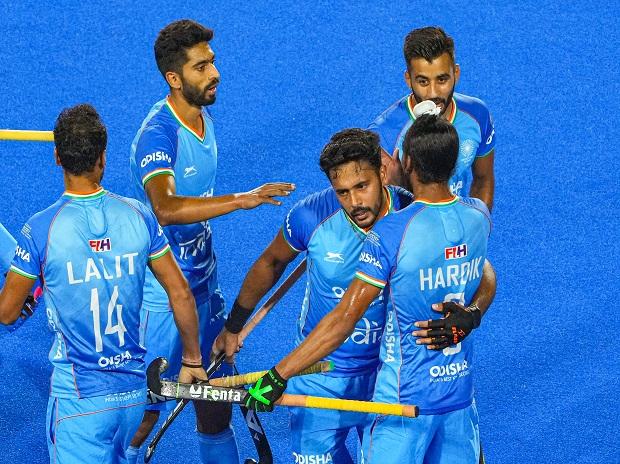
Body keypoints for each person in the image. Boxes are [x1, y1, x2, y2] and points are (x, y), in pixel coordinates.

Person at [215, 126, 495, 463]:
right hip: (320, 373)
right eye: (342, 192)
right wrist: (234, 326)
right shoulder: (310, 217)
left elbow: (483, 270)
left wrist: (474, 311)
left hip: (385, 377)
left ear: (382, 171)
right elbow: (271, 264)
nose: (354, 202)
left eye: (361, 187)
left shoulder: (411, 214)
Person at [0, 104, 207, 464]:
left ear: (56, 157)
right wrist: (192, 359)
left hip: (79, 403)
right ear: (103, 157)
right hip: (131, 397)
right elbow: (179, 291)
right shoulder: (138, 215)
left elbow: (7, 313)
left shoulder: (42, 228)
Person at [128, 19, 295, 464]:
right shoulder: (158, 136)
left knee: (215, 401)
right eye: (201, 67)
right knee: (144, 415)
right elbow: (165, 207)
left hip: (203, 289)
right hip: (162, 301)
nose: (214, 72)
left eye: (213, 62)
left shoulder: (203, 118)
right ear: (174, 78)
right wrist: (242, 201)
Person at [369, 26, 495, 210]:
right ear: (408, 79)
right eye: (423, 81)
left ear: (456, 74)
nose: (433, 93)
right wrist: (398, 187)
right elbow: (379, 214)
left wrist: (480, 225)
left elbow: (483, 179)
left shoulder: (477, 115)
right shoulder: (384, 135)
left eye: (442, 80)